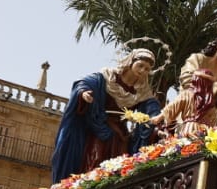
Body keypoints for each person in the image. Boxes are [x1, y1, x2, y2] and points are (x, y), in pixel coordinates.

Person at [50, 48, 161, 182]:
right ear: (131, 62)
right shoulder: (107, 76)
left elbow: (152, 108)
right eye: (140, 65)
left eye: (147, 69)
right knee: (96, 159)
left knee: (119, 164)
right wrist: (83, 93)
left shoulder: (142, 91)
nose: (142, 71)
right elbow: (83, 83)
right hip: (99, 126)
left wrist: (157, 117)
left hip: (121, 134)